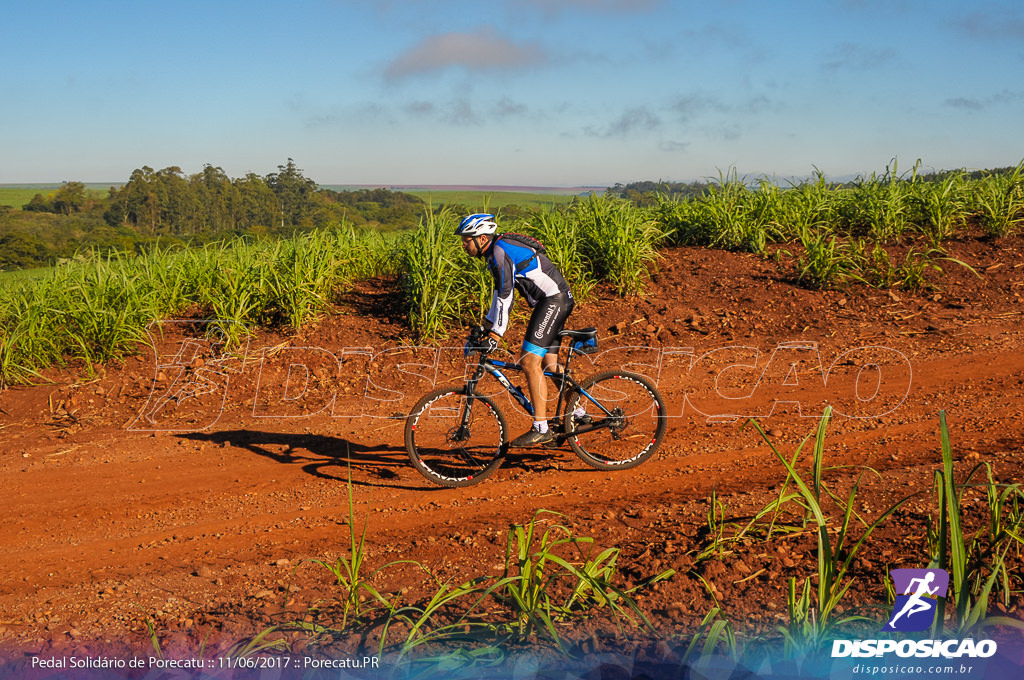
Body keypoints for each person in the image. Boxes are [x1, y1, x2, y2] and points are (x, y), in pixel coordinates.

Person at [456, 213, 575, 446]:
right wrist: (488, 326)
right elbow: (498, 294)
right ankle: (578, 414)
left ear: (481, 239)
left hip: (553, 301)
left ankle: (541, 428)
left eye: (466, 239)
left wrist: (495, 335)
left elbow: (505, 295)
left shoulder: (499, 253)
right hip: (555, 300)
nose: (463, 244)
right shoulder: (495, 251)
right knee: (550, 364)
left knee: (529, 362)